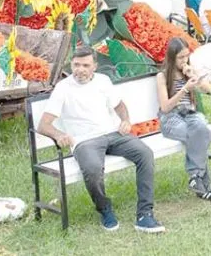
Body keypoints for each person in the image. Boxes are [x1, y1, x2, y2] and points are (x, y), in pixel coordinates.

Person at [37, 47, 165, 232]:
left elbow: (120, 105)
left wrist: (125, 121)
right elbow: (43, 125)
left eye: (86, 65)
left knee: (145, 154)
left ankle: (145, 214)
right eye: (76, 65)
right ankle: (105, 208)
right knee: (93, 170)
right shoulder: (63, 88)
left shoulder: (103, 81)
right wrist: (59, 135)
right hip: (84, 140)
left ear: (95, 66)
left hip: (112, 133)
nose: (80, 69)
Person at [156, 38, 211, 201]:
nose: (184, 60)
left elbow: (208, 90)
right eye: (180, 57)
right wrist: (185, 89)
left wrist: (195, 76)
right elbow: (165, 107)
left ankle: (195, 178)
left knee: (201, 129)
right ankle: (204, 186)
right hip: (171, 118)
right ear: (172, 58)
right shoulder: (163, 76)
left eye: (186, 56)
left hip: (190, 115)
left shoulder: (189, 71)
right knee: (199, 134)